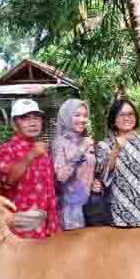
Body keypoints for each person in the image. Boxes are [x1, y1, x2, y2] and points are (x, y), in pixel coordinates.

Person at [0, 98, 61, 279]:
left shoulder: (45, 149)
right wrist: (30, 156)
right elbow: (8, 181)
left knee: (42, 278)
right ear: (14, 123)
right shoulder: (8, 149)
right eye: (25, 118)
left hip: (46, 224)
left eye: (36, 117)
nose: (33, 122)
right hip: (21, 226)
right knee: (15, 277)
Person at [95, 99, 140, 227]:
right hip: (115, 216)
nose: (126, 118)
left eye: (130, 114)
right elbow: (103, 177)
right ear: (113, 119)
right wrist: (115, 149)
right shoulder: (104, 145)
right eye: (121, 115)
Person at [51, 98, 99, 231]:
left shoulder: (85, 140)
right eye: (77, 115)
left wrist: (95, 182)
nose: (82, 119)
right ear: (66, 116)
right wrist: (81, 150)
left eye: (85, 116)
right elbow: (61, 177)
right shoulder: (59, 143)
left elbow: (87, 171)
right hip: (71, 211)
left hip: (91, 207)